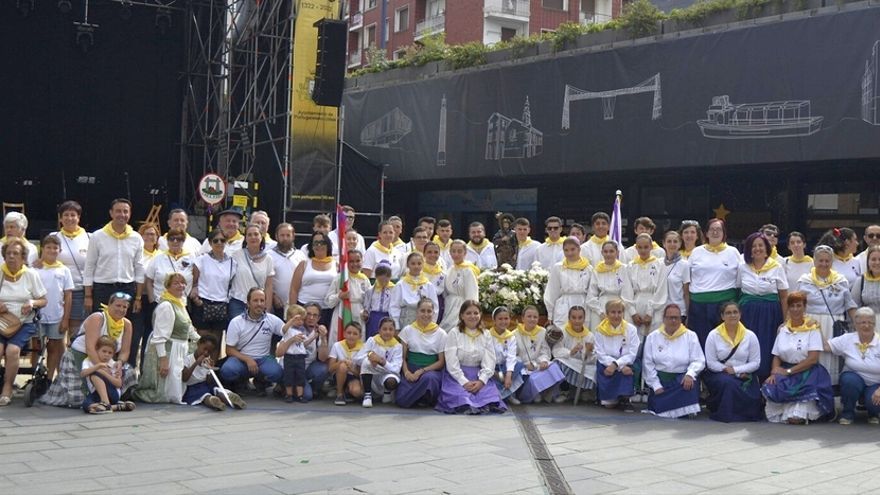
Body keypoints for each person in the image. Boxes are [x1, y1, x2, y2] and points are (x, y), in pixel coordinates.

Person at [40, 292, 138, 408]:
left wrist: (119, 363)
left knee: (128, 371)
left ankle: (108, 400)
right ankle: (107, 402)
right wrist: (101, 367)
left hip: (107, 359)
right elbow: (90, 348)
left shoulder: (127, 324)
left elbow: (125, 351)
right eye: (118, 305)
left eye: (124, 307)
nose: (121, 309)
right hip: (81, 356)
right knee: (78, 399)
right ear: (109, 305)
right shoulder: (97, 317)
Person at [762, 291, 834, 424]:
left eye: (799, 306)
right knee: (771, 386)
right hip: (786, 370)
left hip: (807, 371)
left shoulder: (812, 328)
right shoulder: (782, 329)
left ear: (804, 307)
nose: (795, 309)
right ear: (788, 308)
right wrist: (774, 371)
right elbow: (776, 355)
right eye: (792, 306)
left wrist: (788, 372)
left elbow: (813, 359)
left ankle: (798, 412)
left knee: (796, 419)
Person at [132, 273, 202, 403]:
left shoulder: (180, 303)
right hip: (170, 350)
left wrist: (202, 344)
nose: (181, 286)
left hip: (181, 349)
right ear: (167, 286)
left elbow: (189, 329)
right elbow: (159, 337)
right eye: (176, 283)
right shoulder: (166, 306)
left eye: (182, 283)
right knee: (165, 395)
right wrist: (163, 360)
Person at [797, 245, 857, 384]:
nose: (824, 264)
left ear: (832, 262)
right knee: (812, 358)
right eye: (820, 260)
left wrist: (858, 325)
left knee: (833, 360)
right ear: (814, 261)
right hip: (810, 325)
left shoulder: (841, 281)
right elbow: (797, 306)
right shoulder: (804, 281)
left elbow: (850, 305)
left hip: (834, 325)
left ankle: (832, 391)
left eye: (827, 261)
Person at [436, 300, 506, 414]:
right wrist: (464, 381)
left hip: (478, 374)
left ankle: (481, 403)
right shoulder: (454, 333)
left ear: (480, 315)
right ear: (462, 316)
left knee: (488, 394)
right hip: (457, 375)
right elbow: (451, 361)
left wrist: (481, 381)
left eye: (475, 313)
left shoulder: (486, 334)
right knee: (460, 395)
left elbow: (489, 360)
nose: (472, 316)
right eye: (468, 313)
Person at [0, 239, 48, 406]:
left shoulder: (30, 274)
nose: (11, 257)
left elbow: (43, 300)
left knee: (12, 350)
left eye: (15, 254)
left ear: (23, 257)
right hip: (2, 321)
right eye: (8, 254)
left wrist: (32, 303)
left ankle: (7, 388)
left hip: (24, 322)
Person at [738, 232, 788, 381]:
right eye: (753, 246)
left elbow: (784, 296)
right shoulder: (742, 267)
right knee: (748, 347)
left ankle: (767, 383)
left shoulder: (777, 267)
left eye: (760, 245)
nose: (757, 249)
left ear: (767, 248)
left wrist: (786, 321)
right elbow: (737, 290)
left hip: (770, 314)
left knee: (767, 347)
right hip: (748, 313)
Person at [703, 302, 763, 422]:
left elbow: (755, 362)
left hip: (744, 373)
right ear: (722, 316)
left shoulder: (750, 336)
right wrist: (728, 371)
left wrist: (736, 371)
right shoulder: (713, 335)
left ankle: (745, 414)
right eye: (728, 313)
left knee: (753, 395)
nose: (732, 315)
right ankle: (726, 414)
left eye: (735, 312)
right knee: (728, 383)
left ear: (740, 314)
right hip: (720, 373)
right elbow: (710, 362)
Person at [83, 198, 144, 315]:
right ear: (111, 213)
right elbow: (89, 266)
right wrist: (88, 295)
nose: (122, 215)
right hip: (103, 289)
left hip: (127, 288)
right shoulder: (97, 236)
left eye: (125, 211)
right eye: (118, 211)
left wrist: (138, 298)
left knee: (123, 325)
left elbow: (139, 268)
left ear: (130, 214)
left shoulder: (136, 238)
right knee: (102, 325)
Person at [642, 304, 705, 418]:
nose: (673, 320)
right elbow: (647, 363)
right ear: (664, 319)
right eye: (670, 317)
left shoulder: (691, 336)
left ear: (681, 319)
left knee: (689, 384)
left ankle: (680, 408)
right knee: (660, 403)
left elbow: (699, 360)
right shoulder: (653, 337)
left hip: (682, 380)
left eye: (676, 317)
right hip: (661, 381)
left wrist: (690, 374)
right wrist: (656, 385)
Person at [220, 288, 287, 393]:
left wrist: (292, 323)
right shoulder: (236, 322)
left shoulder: (272, 319)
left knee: (277, 372)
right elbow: (229, 350)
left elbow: (286, 331)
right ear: (248, 303)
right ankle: (240, 381)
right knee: (227, 370)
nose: (259, 304)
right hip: (241, 359)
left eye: (262, 301)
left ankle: (260, 381)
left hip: (264, 358)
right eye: (255, 300)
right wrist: (247, 359)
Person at [687, 218, 740, 348]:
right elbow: (688, 278)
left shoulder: (733, 252)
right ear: (706, 233)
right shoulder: (696, 252)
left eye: (719, 229)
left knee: (723, 341)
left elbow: (739, 280)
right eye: (712, 229)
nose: (715, 232)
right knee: (701, 341)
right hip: (699, 305)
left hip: (724, 303)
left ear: (724, 233)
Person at [824, 307, 880, 424]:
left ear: (874, 324)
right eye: (863, 322)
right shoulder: (848, 338)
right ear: (855, 324)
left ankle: (873, 413)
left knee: (873, 403)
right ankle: (847, 413)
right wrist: (813, 329)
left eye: (870, 322)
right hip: (855, 378)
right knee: (849, 380)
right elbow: (826, 346)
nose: (866, 326)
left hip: (876, 383)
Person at [190, 229, 237, 362]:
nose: (219, 243)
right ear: (210, 243)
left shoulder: (233, 263)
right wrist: (196, 298)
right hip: (203, 303)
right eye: (215, 240)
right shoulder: (201, 260)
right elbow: (194, 283)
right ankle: (198, 372)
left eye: (222, 240)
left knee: (215, 343)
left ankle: (212, 373)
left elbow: (232, 284)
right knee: (203, 342)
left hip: (221, 304)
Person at [35, 235, 74, 380]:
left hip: (56, 315)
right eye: (48, 247)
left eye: (55, 248)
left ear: (60, 250)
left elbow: (68, 295)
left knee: (54, 347)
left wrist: (65, 319)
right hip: (37, 315)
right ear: (42, 249)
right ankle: (35, 376)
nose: (52, 250)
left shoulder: (64, 270)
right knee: (37, 347)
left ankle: (49, 379)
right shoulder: (34, 268)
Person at [397, 297, 447, 408]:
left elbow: (441, 362)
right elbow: (402, 357)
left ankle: (423, 398)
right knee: (401, 399)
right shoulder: (407, 330)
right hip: (411, 369)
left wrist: (422, 371)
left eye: (429, 311)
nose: (426, 314)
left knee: (429, 379)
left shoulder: (441, 334)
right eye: (422, 311)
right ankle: (420, 397)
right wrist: (406, 373)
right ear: (417, 312)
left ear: (433, 313)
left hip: (430, 370)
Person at [593, 299, 640, 409]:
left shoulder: (631, 329)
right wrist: (614, 365)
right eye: (613, 312)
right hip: (607, 364)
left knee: (630, 369)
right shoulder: (600, 330)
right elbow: (600, 354)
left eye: (619, 312)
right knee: (609, 405)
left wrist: (617, 365)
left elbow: (632, 353)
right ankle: (608, 397)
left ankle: (625, 397)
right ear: (607, 314)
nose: (616, 315)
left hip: (625, 362)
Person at [52, 201, 90, 333]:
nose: (69, 218)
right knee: (57, 331)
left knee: (75, 329)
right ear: (60, 218)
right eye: (65, 215)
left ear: (79, 217)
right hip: (56, 290)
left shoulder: (89, 238)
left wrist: (88, 294)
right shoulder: (53, 237)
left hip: (79, 290)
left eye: (73, 215)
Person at [514, 305, 565, 403]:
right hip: (525, 366)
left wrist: (544, 361)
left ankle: (549, 393)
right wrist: (525, 364)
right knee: (529, 377)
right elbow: (514, 355)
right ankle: (535, 394)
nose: (532, 319)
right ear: (523, 318)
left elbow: (545, 350)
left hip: (538, 364)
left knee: (554, 367)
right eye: (529, 316)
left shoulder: (542, 331)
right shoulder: (515, 334)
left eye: (535, 317)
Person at [182, 334, 247, 410]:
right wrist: (196, 363)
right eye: (204, 349)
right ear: (198, 344)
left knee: (218, 390)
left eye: (209, 352)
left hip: (206, 385)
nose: (206, 353)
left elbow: (209, 381)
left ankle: (231, 398)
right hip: (193, 386)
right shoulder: (187, 359)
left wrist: (211, 369)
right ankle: (212, 401)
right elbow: (185, 378)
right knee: (204, 395)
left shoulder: (207, 360)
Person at [289, 231, 337, 327]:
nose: (319, 245)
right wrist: (292, 313)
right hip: (304, 309)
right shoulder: (304, 264)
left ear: (328, 245)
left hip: (327, 310)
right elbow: (294, 290)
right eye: (316, 243)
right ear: (311, 246)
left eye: (322, 242)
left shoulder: (336, 265)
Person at [130, 222, 160, 368]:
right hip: (139, 298)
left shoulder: (161, 255)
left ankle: (144, 370)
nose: (150, 236)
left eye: (153, 234)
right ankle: (130, 371)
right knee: (134, 337)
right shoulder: (137, 253)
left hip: (155, 301)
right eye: (146, 233)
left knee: (150, 337)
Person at [544, 237, 592, 328]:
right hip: (563, 305)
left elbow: (591, 291)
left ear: (579, 249)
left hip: (583, 304)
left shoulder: (588, 268)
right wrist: (550, 314)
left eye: (573, 249)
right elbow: (552, 291)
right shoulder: (558, 268)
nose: (569, 253)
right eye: (566, 250)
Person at [552, 305, 597, 403]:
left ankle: (585, 391)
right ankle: (565, 391)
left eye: (580, 318)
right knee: (558, 364)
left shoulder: (589, 335)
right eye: (574, 317)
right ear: (569, 318)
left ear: (584, 319)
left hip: (582, 363)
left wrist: (588, 352)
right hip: (568, 360)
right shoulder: (562, 331)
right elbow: (556, 350)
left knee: (594, 370)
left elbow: (594, 357)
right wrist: (570, 352)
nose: (577, 321)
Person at [80, 336, 136, 414]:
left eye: (110, 353)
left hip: (112, 393)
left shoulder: (113, 364)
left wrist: (103, 373)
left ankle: (105, 403)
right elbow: (83, 373)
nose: (106, 355)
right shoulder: (88, 361)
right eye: (104, 351)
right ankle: (116, 407)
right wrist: (98, 366)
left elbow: (118, 384)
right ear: (97, 350)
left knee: (95, 374)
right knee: (86, 405)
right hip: (96, 393)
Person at [230, 224, 275, 318]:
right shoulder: (236, 255)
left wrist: (268, 307)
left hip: (258, 304)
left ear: (261, 237)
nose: (253, 237)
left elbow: (269, 286)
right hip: (238, 302)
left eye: (256, 234)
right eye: (249, 235)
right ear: (245, 238)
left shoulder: (268, 259)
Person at [628, 233, 668, 340]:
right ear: (636, 248)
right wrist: (633, 313)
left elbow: (661, 290)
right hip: (636, 303)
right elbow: (627, 291)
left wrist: (650, 312)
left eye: (646, 247)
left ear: (651, 247)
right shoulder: (631, 266)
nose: (643, 250)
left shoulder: (660, 265)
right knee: (636, 339)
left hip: (655, 305)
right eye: (640, 247)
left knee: (654, 338)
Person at [356, 317, 403, 407]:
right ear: (379, 330)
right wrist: (370, 356)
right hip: (373, 374)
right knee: (366, 362)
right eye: (384, 329)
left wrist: (381, 361)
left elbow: (396, 369)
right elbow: (357, 359)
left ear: (394, 331)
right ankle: (367, 395)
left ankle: (387, 392)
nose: (387, 332)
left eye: (390, 329)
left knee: (391, 381)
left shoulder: (398, 346)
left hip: (387, 373)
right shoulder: (372, 341)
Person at [275, 304, 317, 403]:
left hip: (300, 357)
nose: (300, 322)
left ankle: (300, 395)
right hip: (290, 356)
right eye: (297, 319)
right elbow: (283, 329)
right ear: (290, 318)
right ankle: (288, 394)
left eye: (302, 320)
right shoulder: (288, 330)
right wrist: (291, 321)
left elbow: (304, 344)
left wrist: (313, 337)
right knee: (288, 376)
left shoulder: (301, 331)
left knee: (300, 376)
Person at [145, 228, 197, 307]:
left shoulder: (191, 257)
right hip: (160, 303)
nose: (175, 241)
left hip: (182, 304)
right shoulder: (158, 257)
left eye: (179, 239)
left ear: (183, 241)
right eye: (171, 239)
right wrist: (152, 300)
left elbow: (196, 279)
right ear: (167, 241)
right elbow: (149, 280)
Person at [587, 241, 632, 331]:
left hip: (619, 306)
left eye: (611, 251)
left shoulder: (623, 268)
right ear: (602, 253)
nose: (608, 254)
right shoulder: (597, 269)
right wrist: (600, 312)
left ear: (617, 252)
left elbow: (627, 292)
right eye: (606, 252)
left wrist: (620, 310)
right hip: (601, 306)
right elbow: (591, 295)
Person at [325, 249, 371, 337]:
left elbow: (369, 300)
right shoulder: (340, 278)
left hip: (359, 314)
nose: (355, 264)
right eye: (351, 261)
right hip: (342, 311)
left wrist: (366, 312)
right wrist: (339, 296)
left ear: (362, 261)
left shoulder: (364, 279)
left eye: (358, 261)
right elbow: (328, 301)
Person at [390, 252, 439, 330]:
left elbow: (435, 307)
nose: (416, 266)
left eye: (419, 264)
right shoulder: (400, 285)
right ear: (407, 265)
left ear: (423, 265)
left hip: (424, 320)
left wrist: (432, 323)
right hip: (406, 319)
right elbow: (394, 306)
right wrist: (396, 326)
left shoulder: (428, 285)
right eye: (413, 264)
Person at [269, 223, 307, 319]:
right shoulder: (269, 255)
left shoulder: (300, 255)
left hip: (297, 304)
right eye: (282, 235)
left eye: (288, 235)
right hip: (277, 304)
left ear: (293, 236)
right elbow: (265, 280)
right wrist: (273, 296)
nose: (285, 238)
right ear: (276, 236)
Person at [487, 306, 523, 404]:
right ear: (494, 320)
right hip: (492, 367)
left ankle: (507, 394)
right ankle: (502, 394)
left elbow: (511, 357)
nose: (503, 322)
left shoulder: (511, 337)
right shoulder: (488, 335)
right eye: (500, 319)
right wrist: (494, 372)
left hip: (505, 367)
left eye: (506, 318)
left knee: (519, 363)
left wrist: (508, 375)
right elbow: (487, 356)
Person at [440, 240, 479, 329]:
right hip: (450, 306)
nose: (456, 254)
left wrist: (470, 312)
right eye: (453, 251)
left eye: (459, 251)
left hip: (461, 307)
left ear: (465, 253)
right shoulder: (450, 269)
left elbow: (472, 293)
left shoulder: (468, 270)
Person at [328, 322, 366, 405]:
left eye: (355, 334)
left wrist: (351, 369)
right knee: (342, 366)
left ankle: (348, 391)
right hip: (339, 374)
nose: (351, 336)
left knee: (357, 392)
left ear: (360, 336)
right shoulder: (337, 345)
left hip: (354, 375)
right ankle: (339, 393)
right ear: (344, 334)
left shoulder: (364, 348)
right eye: (349, 333)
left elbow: (361, 373)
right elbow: (330, 369)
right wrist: (341, 362)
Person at [301, 303, 331, 400]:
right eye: (308, 314)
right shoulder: (295, 327)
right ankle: (284, 385)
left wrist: (323, 338)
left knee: (323, 368)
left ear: (318, 318)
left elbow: (323, 358)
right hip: (293, 368)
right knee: (307, 396)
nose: (311, 318)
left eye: (315, 315)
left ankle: (314, 388)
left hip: (309, 367)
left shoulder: (320, 330)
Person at [661, 230, 690, 322]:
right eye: (669, 241)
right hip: (660, 310)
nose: (672, 244)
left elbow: (686, 292)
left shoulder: (684, 264)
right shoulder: (658, 263)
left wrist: (688, 314)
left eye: (675, 241)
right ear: (664, 244)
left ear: (680, 244)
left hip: (678, 311)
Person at [851, 246, 880, 332]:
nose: (877, 262)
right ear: (868, 262)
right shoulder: (861, 281)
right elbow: (853, 306)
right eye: (873, 259)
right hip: (867, 326)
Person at [423, 242, 446, 322]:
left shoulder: (443, 273)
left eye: (436, 252)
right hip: (421, 303)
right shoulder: (418, 271)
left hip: (437, 304)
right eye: (429, 252)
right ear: (424, 254)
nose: (433, 255)